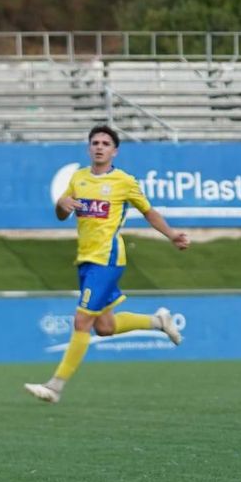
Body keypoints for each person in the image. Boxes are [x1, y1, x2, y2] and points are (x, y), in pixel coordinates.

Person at [24, 125, 189, 404]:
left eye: (105, 143)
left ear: (114, 151)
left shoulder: (124, 181)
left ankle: (55, 386)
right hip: (86, 260)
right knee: (104, 327)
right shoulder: (78, 178)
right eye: (95, 142)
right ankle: (159, 321)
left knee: (81, 321)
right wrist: (62, 205)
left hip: (108, 259)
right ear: (89, 148)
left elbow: (148, 212)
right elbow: (62, 215)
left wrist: (172, 234)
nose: (99, 146)